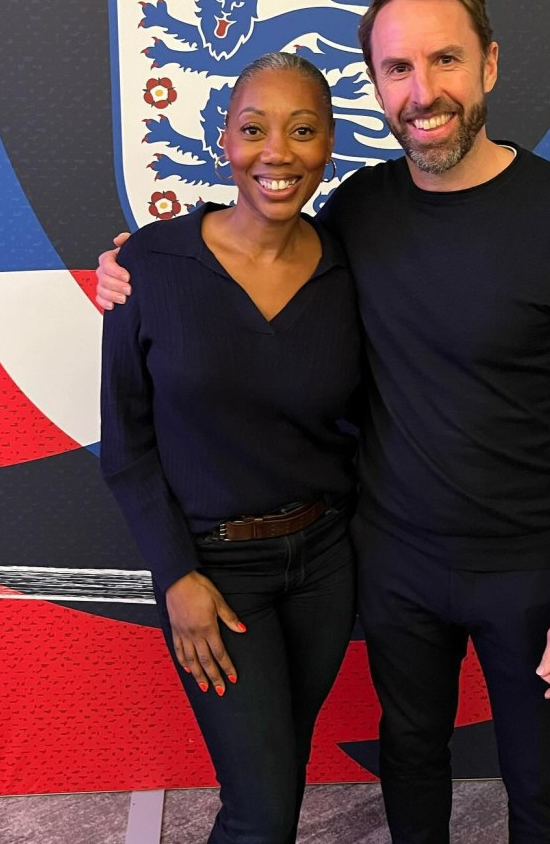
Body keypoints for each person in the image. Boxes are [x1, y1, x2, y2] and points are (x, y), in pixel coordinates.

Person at [97, 0, 550, 844]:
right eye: (398, 68)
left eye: (445, 60)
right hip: (392, 564)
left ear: (490, 66)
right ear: (377, 85)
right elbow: (245, 237)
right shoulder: (359, 211)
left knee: (543, 792)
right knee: (410, 759)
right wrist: (140, 259)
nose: (423, 90)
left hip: (534, 572)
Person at [100, 51, 361, 844]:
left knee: (274, 780)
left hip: (325, 566)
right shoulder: (150, 263)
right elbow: (127, 443)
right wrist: (176, 574)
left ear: (329, 146)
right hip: (216, 578)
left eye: (303, 130)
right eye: (255, 129)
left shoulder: (356, 266)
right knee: (262, 811)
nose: (276, 152)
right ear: (225, 140)